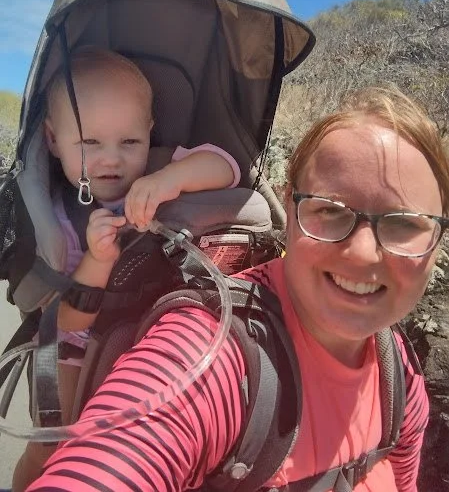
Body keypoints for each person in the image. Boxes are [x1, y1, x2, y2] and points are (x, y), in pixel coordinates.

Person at [26, 85, 449, 492]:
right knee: (49, 439)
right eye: (329, 211)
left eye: (405, 224)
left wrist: (169, 178)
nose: (362, 253)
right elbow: (127, 447)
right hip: (79, 335)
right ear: (290, 205)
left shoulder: (398, 373)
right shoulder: (214, 354)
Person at [12, 47, 240, 492]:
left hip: (151, 332)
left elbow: (227, 166)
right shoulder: (61, 222)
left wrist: (167, 180)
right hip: (74, 345)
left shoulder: (157, 168)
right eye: (90, 143)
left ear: (148, 133)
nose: (111, 159)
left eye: (129, 142)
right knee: (52, 445)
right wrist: (98, 259)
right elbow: (67, 321)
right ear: (53, 139)